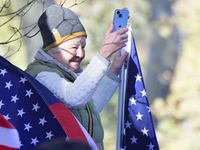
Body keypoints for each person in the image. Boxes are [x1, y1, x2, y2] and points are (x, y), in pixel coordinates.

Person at [25, 4, 128, 150]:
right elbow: (73, 98)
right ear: (52, 49)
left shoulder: (70, 73)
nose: (80, 54)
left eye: (83, 47)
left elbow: (88, 108)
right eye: (74, 47)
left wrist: (113, 70)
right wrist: (105, 52)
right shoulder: (40, 74)